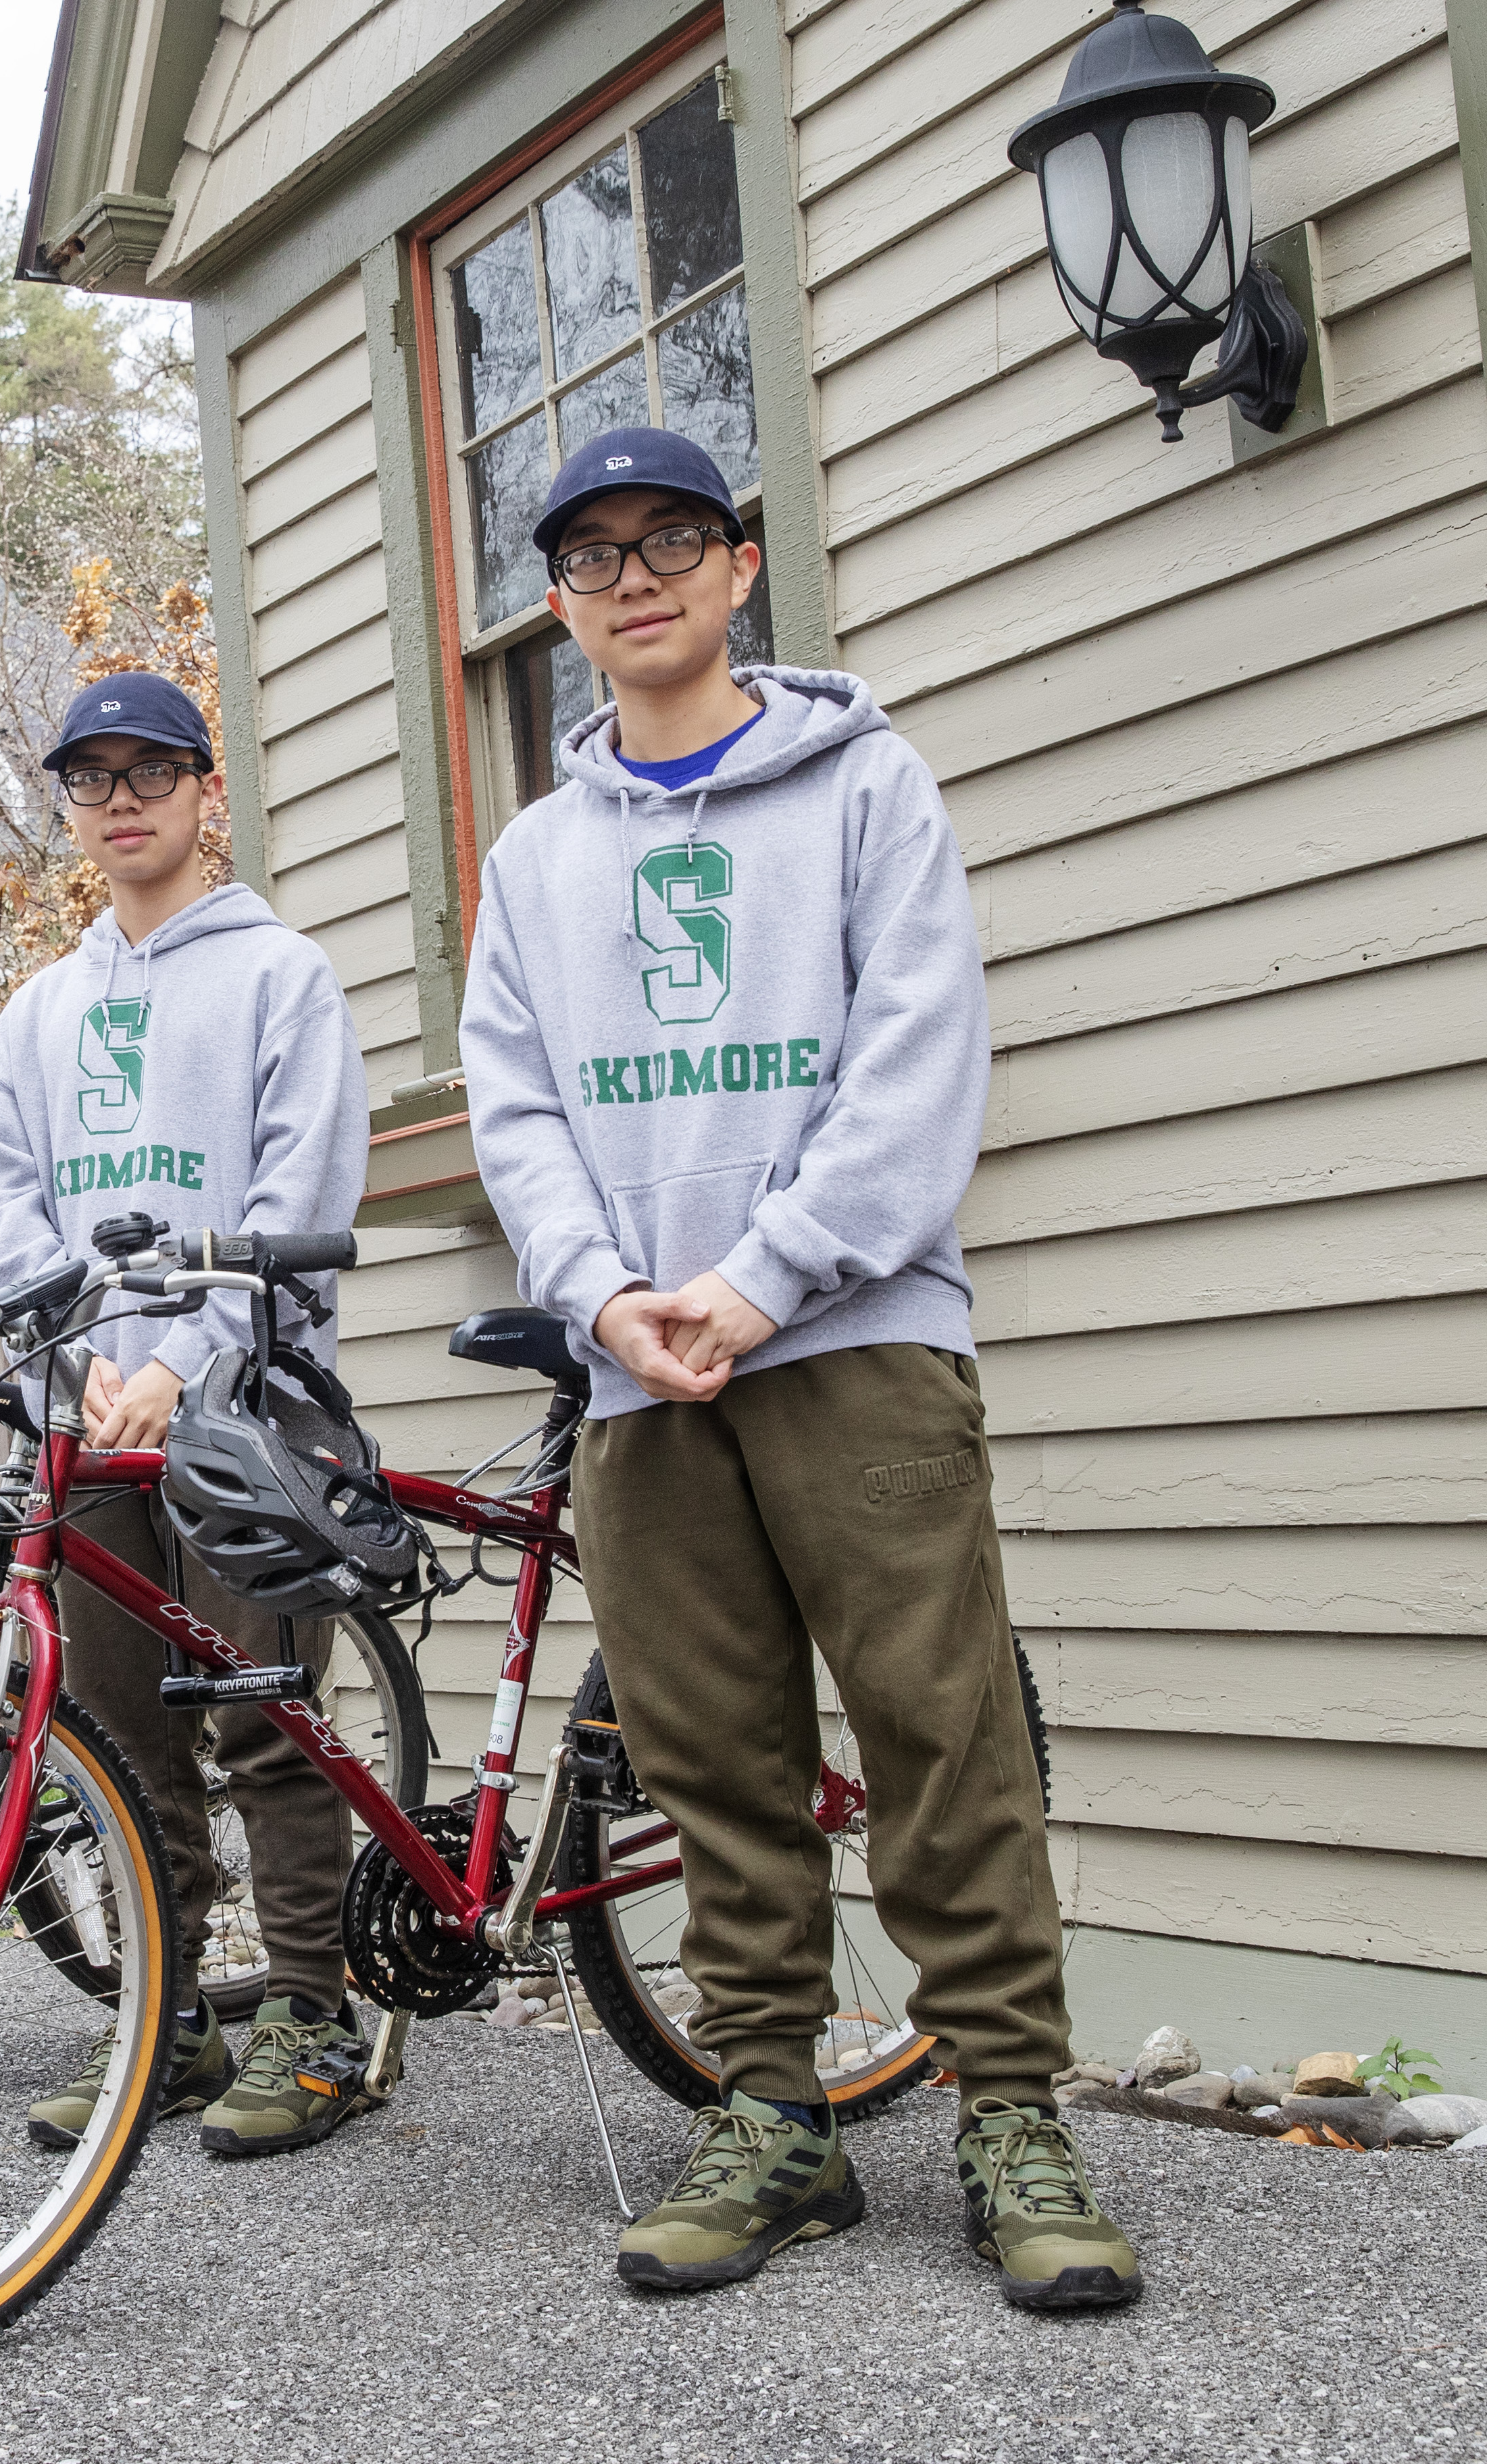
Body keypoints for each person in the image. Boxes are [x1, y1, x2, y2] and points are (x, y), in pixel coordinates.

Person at [455, 430, 1143, 2311]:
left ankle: (1012, 2112)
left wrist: (756, 1284)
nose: (633, 576)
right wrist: (603, 1299)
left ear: (740, 567)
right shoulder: (533, 857)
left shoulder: (869, 789)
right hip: (636, 1382)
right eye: (592, 556)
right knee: (712, 1768)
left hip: (856, 1345)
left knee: (940, 1736)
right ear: (565, 604)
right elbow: (511, 1108)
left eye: (670, 538)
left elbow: (919, 1065)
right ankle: (771, 2112)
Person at [0, 669, 377, 2159]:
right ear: (71, 807)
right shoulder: (43, 1008)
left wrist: (180, 1367)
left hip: (245, 1415)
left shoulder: (282, 978)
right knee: (126, 1743)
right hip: (88, 1426)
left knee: (265, 1720)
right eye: (92, 779)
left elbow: (299, 1197)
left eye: (153, 772)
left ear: (211, 792)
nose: (122, 799)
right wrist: (83, 1378)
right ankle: (172, 2017)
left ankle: (317, 2019)